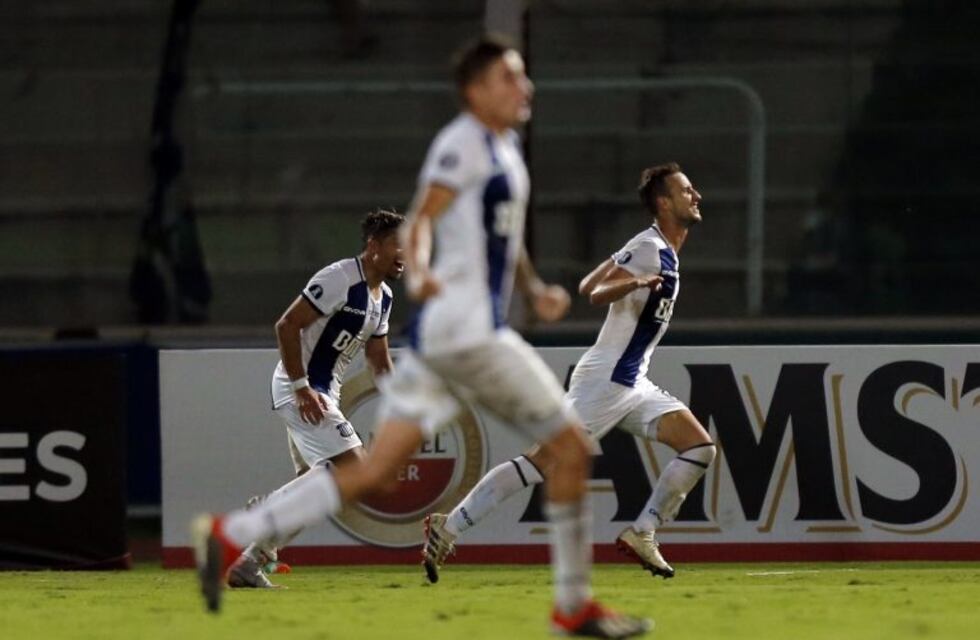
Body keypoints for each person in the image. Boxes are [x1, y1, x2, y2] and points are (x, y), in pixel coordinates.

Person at [192, 34, 650, 639]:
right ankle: (573, 606)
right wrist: (426, 266)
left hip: (448, 339)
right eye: (511, 77)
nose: (525, 87)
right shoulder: (461, 145)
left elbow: (501, 240)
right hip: (469, 335)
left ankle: (232, 536)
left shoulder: (506, 148)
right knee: (568, 448)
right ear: (476, 90)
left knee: (373, 470)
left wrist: (534, 286)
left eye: (522, 76)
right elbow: (424, 218)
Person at [422, 163, 716, 583]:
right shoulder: (650, 248)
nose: (696, 196)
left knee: (699, 448)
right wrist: (634, 283)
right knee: (542, 462)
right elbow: (596, 294)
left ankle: (644, 531)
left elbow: (585, 283)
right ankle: (448, 527)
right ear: (664, 203)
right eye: (687, 190)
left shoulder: (659, 251)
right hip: (605, 381)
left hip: (633, 382)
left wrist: (625, 273)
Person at [223, 208, 405, 589]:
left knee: (318, 487)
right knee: (355, 471)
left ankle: (250, 563)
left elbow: (378, 360)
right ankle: (266, 516)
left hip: (324, 393)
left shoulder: (383, 297)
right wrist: (302, 386)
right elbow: (287, 325)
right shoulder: (339, 278)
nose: (406, 253)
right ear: (373, 247)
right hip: (301, 389)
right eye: (397, 245)